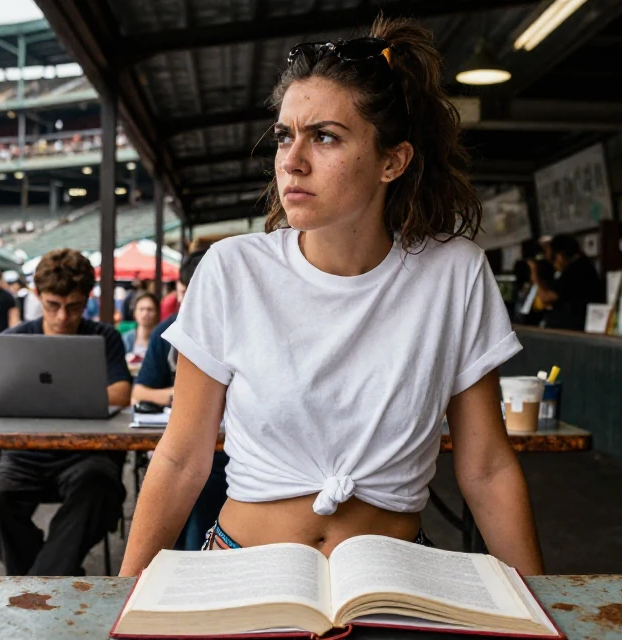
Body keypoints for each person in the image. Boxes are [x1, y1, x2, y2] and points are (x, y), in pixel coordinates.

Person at [120, 17, 543, 575]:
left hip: (392, 582)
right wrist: (123, 594)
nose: (291, 160)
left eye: (324, 136)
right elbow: (180, 458)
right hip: (246, 571)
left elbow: (486, 466)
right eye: (284, 135)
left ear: (393, 160)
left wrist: (544, 603)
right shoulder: (232, 268)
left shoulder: (454, 273)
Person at [0, 249, 132, 576]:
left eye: (73, 307)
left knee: (100, 487)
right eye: (53, 306)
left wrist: (33, 396)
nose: (62, 317)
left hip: (87, 453)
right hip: (23, 454)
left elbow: (122, 391)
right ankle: (59, 577)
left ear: (87, 298)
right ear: (37, 296)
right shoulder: (15, 339)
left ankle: (39, 585)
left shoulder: (105, 337)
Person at [130, 251, 228, 550]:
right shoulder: (166, 332)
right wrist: (186, 396)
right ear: (179, 291)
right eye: (187, 293)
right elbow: (139, 391)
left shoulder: (236, 328)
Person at [529, 234, 603, 331]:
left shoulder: (576, 271)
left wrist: (535, 275)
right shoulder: (581, 266)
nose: (554, 264)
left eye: (553, 259)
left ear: (560, 255)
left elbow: (546, 298)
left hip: (574, 328)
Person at [121, 292, 160, 361]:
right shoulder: (126, 339)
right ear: (134, 313)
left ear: (157, 312)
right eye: (141, 309)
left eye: (150, 309)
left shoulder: (162, 340)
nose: (145, 313)